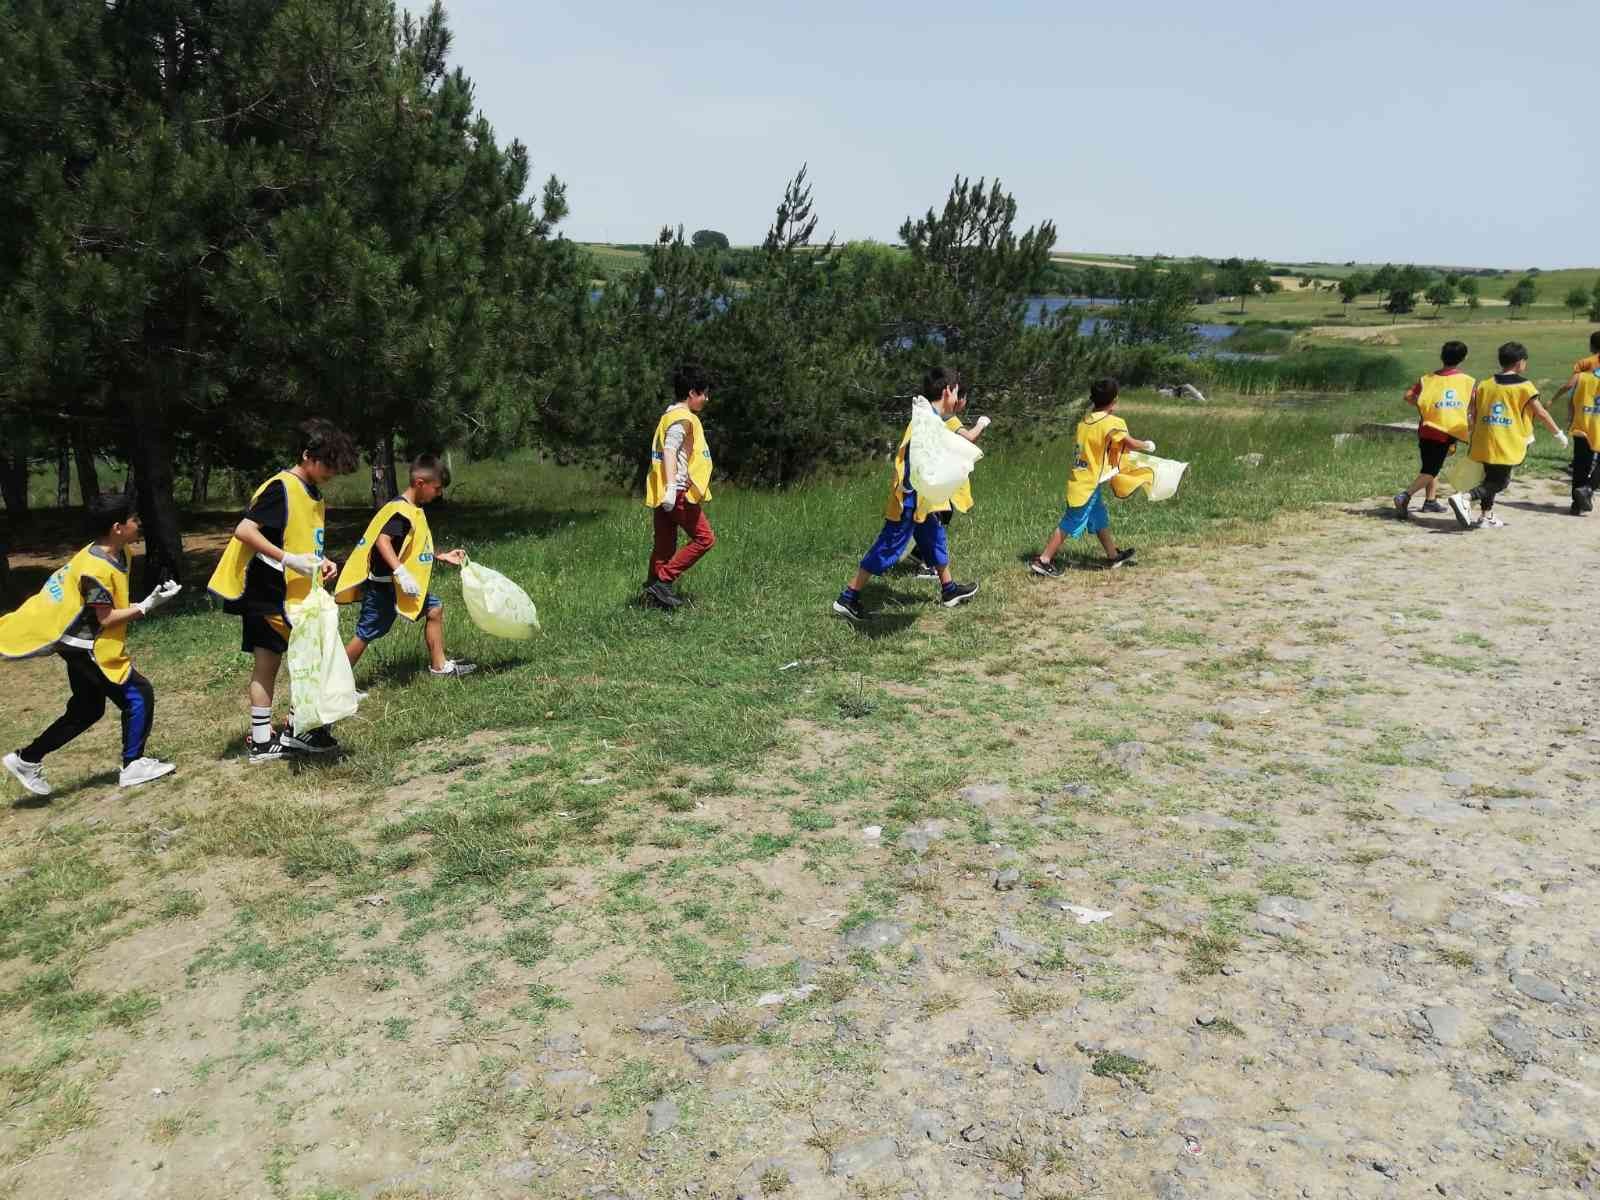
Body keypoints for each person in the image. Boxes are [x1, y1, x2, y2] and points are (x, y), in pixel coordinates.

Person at [1, 495, 181, 796]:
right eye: (133, 520)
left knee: (87, 708)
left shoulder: (114, 552)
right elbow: (106, 617)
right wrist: (148, 605)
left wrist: (146, 599)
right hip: (85, 646)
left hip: (78, 644)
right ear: (117, 528)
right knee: (138, 694)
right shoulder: (95, 569)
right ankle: (133, 765)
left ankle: (26, 759)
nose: (139, 524)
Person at [206, 419, 358, 761]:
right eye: (328, 464)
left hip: (293, 592)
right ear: (307, 455)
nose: (332, 472)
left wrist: (321, 562)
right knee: (308, 657)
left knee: (271, 661)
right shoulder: (282, 487)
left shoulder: (312, 492)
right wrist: (290, 559)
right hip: (270, 593)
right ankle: (294, 730)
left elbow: (299, 536)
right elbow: (245, 531)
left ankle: (266, 740)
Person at [832, 366, 983, 622]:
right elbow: (914, 463)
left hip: (923, 501)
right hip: (910, 501)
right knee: (888, 546)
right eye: (956, 393)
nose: (957, 400)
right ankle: (848, 597)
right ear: (947, 391)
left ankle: (949, 590)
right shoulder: (926, 421)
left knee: (935, 538)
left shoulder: (931, 416)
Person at [336, 454, 473, 678]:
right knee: (367, 632)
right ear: (420, 483)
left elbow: (411, 546)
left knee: (434, 608)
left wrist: (441, 556)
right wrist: (401, 572)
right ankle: (333, 682)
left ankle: (440, 667)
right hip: (383, 587)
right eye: (437, 488)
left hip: (398, 586)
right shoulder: (401, 513)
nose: (439, 494)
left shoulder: (412, 509)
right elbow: (383, 542)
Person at [1029, 377, 1154, 576]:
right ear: (1114, 400)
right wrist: (1147, 444)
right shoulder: (1112, 422)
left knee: (1098, 516)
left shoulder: (1085, 422)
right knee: (1071, 520)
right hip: (1088, 483)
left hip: (1081, 477)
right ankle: (1043, 560)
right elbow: (1129, 443)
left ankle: (1113, 555)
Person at [1449, 341, 1566, 530]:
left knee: (1489, 478)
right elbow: (1541, 413)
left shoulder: (1485, 384)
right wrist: (1558, 433)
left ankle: (1485, 517)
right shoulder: (1525, 387)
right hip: (1507, 441)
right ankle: (1465, 497)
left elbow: (1472, 412)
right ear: (1520, 363)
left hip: (1484, 439)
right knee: (1500, 482)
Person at [642, 363, 717, 610]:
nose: (706, 398)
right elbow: (671, 450)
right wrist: (673, 488)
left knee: (664, 547)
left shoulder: (668, 416)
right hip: (677, 493)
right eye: (704, 392)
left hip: (664, 492)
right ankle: (663, 582)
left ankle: (652, 596)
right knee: (705, 539)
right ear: (692, 393)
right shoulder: (683, 418)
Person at [907, 390, 988, 579]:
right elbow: (969, 437)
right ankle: (928, 564)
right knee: (940, 518)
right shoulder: (949, 418)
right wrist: (982, 424)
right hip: (942, 479)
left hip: (934, 477)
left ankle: (919, 553)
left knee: (935, 517)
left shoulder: (937, 417)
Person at [1393, 341, 1472, 517]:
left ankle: (1430, 501)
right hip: (1446, 432)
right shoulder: (1467, 381)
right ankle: (1404, 496)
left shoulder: (1427, 379)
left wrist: (1424, 407)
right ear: (1463, 358)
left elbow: (1408, 396)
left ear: (1442, 357)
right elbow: (1472, 405)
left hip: (1426, 429)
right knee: (1431, 470)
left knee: (1429, 466)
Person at [1562, 358, 1600, 515]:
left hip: (1582, 424)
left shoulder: (1581, 376)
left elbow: (1571, 400)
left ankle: (1576, 504)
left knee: (1580, 465)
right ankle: (1588, 488)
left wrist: (1571, 417)